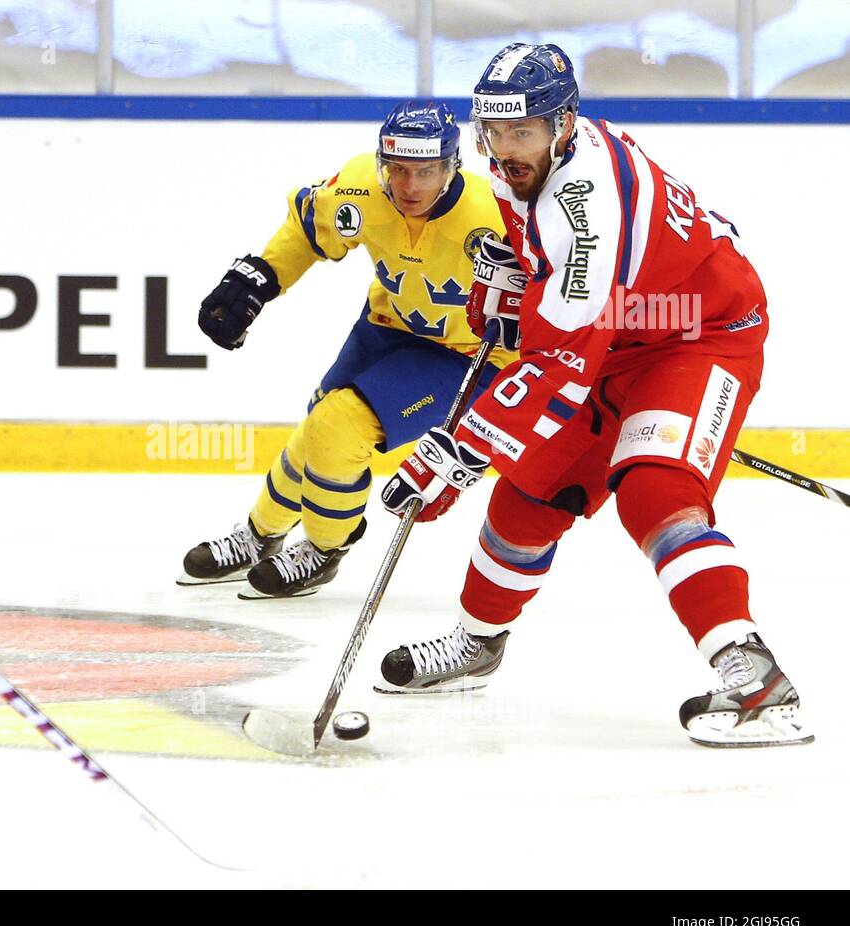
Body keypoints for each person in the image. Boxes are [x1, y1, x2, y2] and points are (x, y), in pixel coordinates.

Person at [374, 43, 811, 748]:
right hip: (618, 332)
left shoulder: (587, 204)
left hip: (696, 334)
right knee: (527, 494)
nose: (505, 148)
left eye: (522, 132)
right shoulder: (526, 161)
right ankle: (477, 643)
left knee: (654, 490)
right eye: (494, 130)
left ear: (565, 122)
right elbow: (552, 294)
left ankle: (757, 681)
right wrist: (515, 282)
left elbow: (559, 357)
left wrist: (460, 449)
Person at [180, 101, 513, 599]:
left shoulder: (498, 213)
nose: (410, 186)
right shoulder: (361, 188)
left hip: (470, 355)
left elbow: (566, 291)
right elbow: (309, 231)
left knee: (340, 424)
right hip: (387, 326)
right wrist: (261, 278)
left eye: (426, 171)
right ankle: (261, 533)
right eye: (398, 169)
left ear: (451, 166)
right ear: (382, 164)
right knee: (321, 423)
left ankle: (324, 549)